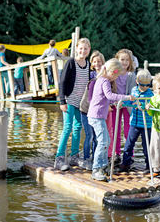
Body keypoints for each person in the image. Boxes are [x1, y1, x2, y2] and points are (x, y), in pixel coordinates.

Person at [87, 58, 135, 181]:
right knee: (103, 142)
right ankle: (96, 169)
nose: (116, 78)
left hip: (97, 115)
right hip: (96, 116)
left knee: (106, 140)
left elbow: (106, 98)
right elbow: (109, 95)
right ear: (113, 72)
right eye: (117, 75)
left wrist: (117, 102)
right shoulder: (105, 81)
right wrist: (126, 97)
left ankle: (103, 165)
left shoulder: (101, 79)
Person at [54, 38, 91, 171]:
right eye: (80, 48)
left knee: (77, 128)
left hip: (80, 103)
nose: (83, 51)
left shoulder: (88, 64)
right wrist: (62, 101)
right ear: (76, 49)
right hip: (69, 101)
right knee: (67, 127)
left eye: (85, 48)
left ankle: (74, 156)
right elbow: (62, 82)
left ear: (89, 50)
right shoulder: (71, 62)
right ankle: (59, 158)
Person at [118, 69, 154, 174]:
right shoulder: (134, 90)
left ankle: (149, 166)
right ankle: (126, 163)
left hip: (146, 124)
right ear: (137, 82)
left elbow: (151, 105)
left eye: (148, 85)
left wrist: (145, 106)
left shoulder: (150, 94)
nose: (145, 87)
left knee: (147, 146)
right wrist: (123, 103)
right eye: (143, 85)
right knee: (129, 144)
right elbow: (129, 101)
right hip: (134, 123)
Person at [78, 51, 106, 171]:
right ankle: (86, 159)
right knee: (89, 135)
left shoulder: (105, 75)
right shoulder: (91, 76)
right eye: (94, 61)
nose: (97, 63)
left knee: (96, 137)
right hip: (86, 109)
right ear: (92, 63)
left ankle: (95, 158)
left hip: (96, 112)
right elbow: (90, 97)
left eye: (99, 61)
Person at [109, 49, 136, 165]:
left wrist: (127, 100)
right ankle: (116, 153)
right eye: (122, 60)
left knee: (128, 130)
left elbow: (132, 90)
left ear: (130, 62)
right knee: (115, 129)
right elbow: (110, 87)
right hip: (116, 104)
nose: (124, 62)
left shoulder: (131, 75)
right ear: (117, 60)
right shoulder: (115, 73)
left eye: (127, 60)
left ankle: (130, 154)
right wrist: (114, 101)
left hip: (127, 104)